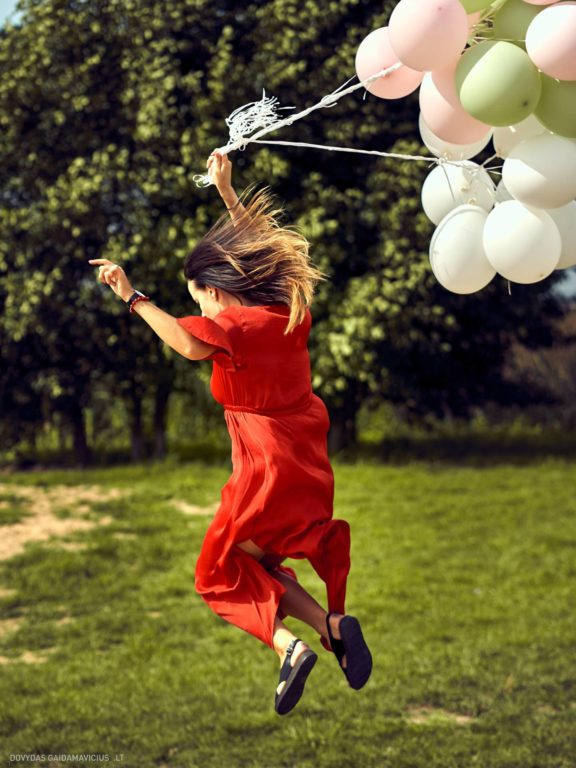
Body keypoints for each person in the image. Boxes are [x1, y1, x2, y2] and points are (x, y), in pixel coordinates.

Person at [89, 152, 372, 716]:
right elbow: (265, 250)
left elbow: (188, 342)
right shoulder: (289, 314)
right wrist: (226, 191)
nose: (200, 307)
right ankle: (330, 627)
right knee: (255, 566)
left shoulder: (233, 329)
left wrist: (132, 297)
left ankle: (289, 647)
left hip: (263, 474)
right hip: (306, 468)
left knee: (215, 576)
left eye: (199, 297)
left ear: (216, 291)